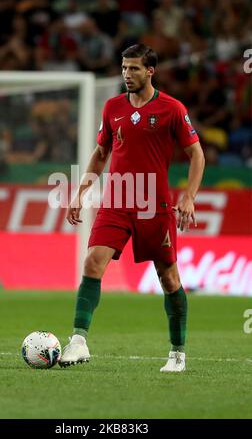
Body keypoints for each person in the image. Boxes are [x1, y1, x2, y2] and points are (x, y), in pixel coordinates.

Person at [59, 44, 205, 372]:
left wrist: (189, 196)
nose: (128, 74)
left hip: (155, 205)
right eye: (125, 68)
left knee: (168, 277)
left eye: (135, 68)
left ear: (150, 71)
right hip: (117, 200)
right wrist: (80, 190)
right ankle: (79, 340)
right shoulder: (112, 107)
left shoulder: (172, 108)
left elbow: (197, 154)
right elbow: (101, 153)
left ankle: (177, 353)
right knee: (93, 261)